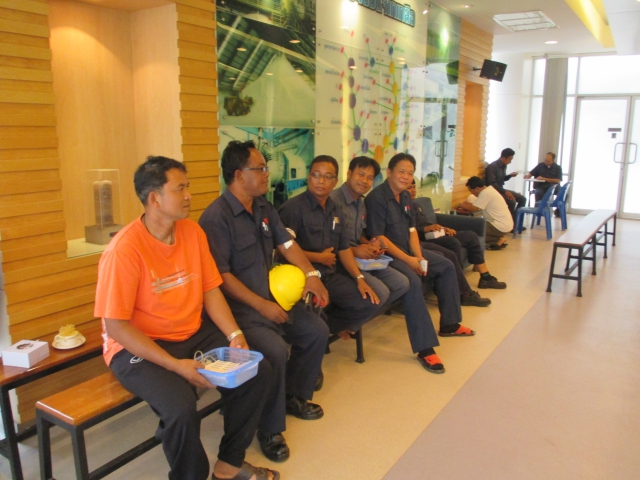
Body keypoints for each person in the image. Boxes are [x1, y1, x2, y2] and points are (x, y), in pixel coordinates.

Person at [94, 156, 279, 480]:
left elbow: (210, 290)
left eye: (188, 187)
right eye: (180, 189)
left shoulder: (192, 233)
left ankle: (228, 465)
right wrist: (175, 365)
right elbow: (116, 327)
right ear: (154, 198)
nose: (189, 195)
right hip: (137, 346)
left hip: (191, 333)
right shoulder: (124, 250)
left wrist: (234, 335)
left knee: (257, 372)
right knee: (180, 410)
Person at [199, 141, 330, 464]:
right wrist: (261, 305)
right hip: (241, 311)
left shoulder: (263, 207)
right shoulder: (215, 218)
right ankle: (269, 429)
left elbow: (286, 244)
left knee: (316, 330)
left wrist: (311, 273)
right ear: (238, 175)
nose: (267, 174)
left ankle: (293, 397)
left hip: (274, 299)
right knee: (274, 351)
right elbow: (221, 277)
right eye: (260, 169)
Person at [365, 153, 475, 374]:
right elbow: (379, 238)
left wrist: (420, 256)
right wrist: (409, 261)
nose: (405, 177)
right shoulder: (376, 198)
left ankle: (450, 324)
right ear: (389, 172)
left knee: (445, 265)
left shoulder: (406, 197)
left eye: (410, 173)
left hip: (409, 250)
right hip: (388, 256)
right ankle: (425, 349)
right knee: (413, 283)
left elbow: (412, 230)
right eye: (401, 172)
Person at [278, 155, 381, 340]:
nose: (321, 181)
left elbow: (343, 248)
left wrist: (359, 278)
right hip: (302, 277)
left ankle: (324, 332)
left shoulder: (336, 210)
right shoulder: (293, 208)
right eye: (316, 175)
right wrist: (318, 258)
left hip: (329, 275)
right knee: (315, 315)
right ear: (309, 177)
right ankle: (315, 337)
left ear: (335, 181)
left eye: (327, 177)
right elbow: (281, 250)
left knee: (368, 303)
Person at [408, 180, 506, 296]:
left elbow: (427, 223)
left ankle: (485, 277)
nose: (413, 191)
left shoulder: (416, 205)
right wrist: (425, 229)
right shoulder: (404, 207)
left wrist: (443, 228)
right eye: (409, 188)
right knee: (453, 242)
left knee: (471, 236)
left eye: (414, 187)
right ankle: (459, 285)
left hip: (434, 232)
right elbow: (410, 230)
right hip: (424, 237)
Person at [458, 176, 514, 250]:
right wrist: (468, 205)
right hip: (505, 224)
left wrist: (460, 205)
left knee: (474, 233)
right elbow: (477, 206)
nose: (471, 193)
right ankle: (498, 238)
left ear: (477, 188)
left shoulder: (485, 193)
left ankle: (497, 240)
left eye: (471, 191)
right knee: (476, 229)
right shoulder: (489, 190)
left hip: (499, 225)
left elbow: (473, 209)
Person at [485, 148, 526, 223]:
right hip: (494, 191)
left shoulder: (504, 165)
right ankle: (510, 223)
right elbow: (492, 183)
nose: (510, 162)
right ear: (503, 158)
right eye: (509, 159)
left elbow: (502, 179)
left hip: (501, 189)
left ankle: (517, 223)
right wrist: (505, 191)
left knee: (522, 199)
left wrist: (510, 176)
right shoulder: (493, 166)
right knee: (512, 201)